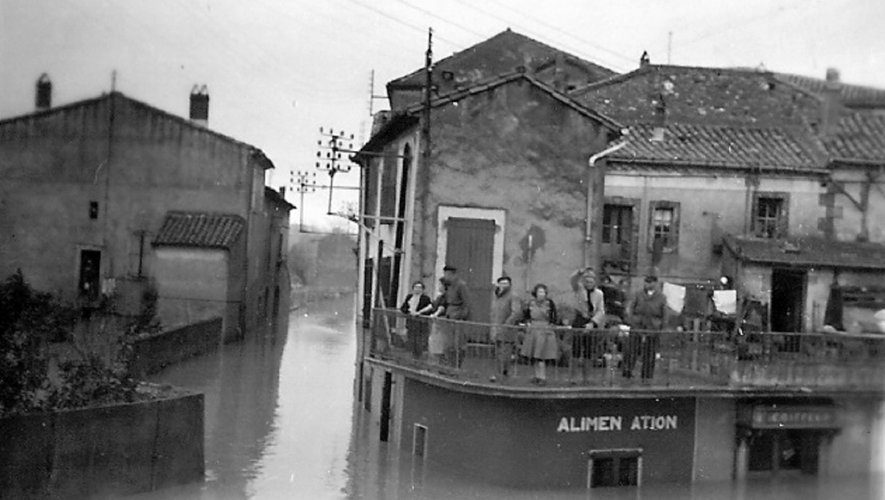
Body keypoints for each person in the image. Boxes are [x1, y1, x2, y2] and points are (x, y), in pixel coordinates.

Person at [623, 275, 669, 380]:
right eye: (646, 282)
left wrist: (662, 327)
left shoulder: (662, 297)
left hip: (653, 328)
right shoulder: (638, 294)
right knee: (632, 350)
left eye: (651, 282)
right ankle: (627, 372)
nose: (648, 284)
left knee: (650, 353)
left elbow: (665, 314)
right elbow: (630, 308)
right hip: (637, 326)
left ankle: (647, 375)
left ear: (656, 283)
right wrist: (632, 321)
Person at [568, 268, 607, 377]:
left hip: (591, 320)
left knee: (589, 350)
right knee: (576, 349)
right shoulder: (579, 289)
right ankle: (573, 377)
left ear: (595, 282)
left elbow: (601, 310)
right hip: (580, 318)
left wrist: (593, 323)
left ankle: (587, 377)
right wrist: (579, 273)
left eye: (591, 282)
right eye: (587, 281)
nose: (589, 284)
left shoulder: (599, 294)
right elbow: (573, 280)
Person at [520, 284, 559, 385]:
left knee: (541, 355)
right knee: (534, 356)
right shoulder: (531, 303)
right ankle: (537, 376)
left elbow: (554, 317)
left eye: (543, 292)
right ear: (535, 293)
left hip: (545, 330)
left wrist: (551, 326)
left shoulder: (549, 303)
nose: (541, 294)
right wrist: (527, 323)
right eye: (539, 292)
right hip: (533, 329)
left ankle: (543, 377)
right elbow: (526, 315)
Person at [489, 276, 523, 381]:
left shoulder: (513, 296)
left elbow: (516, 312)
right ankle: (500, 373)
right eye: (501, 283)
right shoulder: (496, 296)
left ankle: (502, 374)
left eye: (506, 283)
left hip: (506, 330)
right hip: (496, 328)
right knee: (497, 352)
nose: (503, 285)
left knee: (505, 353)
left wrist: (507, 324)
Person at [400, 281, 434, 359]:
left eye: (419, 288)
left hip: (421, 324)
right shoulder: (409, 297)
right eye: (416, 287)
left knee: (420, 340)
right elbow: (403, 308)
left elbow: (430, 310)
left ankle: (419, 355)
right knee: (411, 338)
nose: (417, 289)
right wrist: (409, 312)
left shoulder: (425, 298)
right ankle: (412, 354)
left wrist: (419, 314)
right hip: (411, 322)